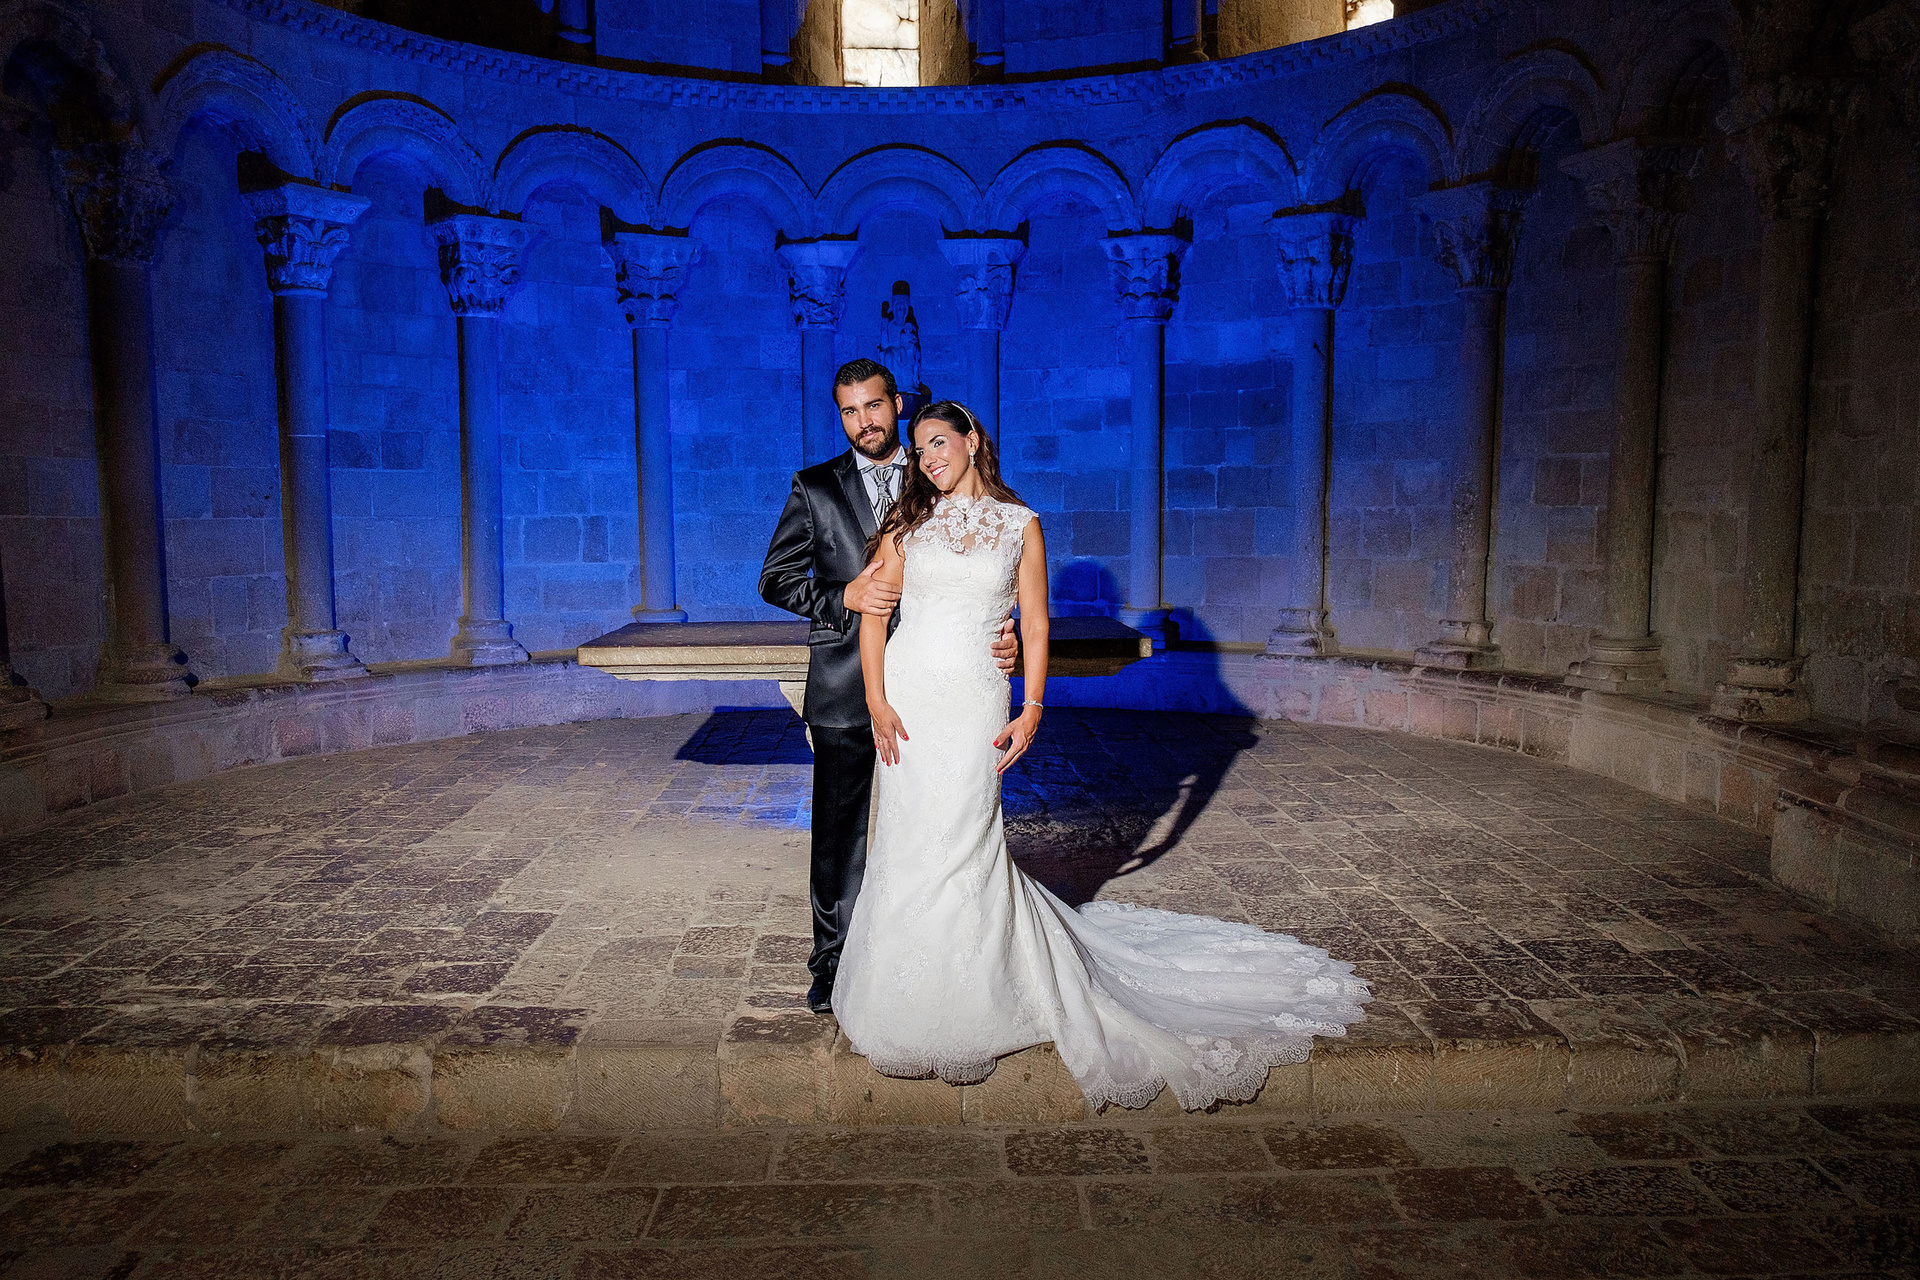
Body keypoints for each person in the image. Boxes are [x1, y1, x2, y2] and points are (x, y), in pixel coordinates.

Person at [832, 400, 1373, 1111]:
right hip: (907, 698)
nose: (930, 457)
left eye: (940, 442)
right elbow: (874, 615)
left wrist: (1032, 707)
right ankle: (903, 989)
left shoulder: (1020, 524)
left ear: (972, 440)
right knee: (908, 839)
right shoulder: (907, 523)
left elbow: (1034, 622)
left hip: (973, 701)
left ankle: (973, 988)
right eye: (921, 447)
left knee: (964, 834)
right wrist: (876, 698)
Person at [759, 360, 1016, 1015]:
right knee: (838, 833)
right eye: (849, 411)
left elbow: (990, 555)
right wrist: (840, 596)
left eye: (873, 406)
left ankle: (934, 955)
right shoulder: (815, 486)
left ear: (897, 404)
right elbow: (775, 579)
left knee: (933, 823)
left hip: (937, 685)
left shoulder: (936, 466)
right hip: (847, 681)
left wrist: (1001, 625)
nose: (863, 422)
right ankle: (834, 964)